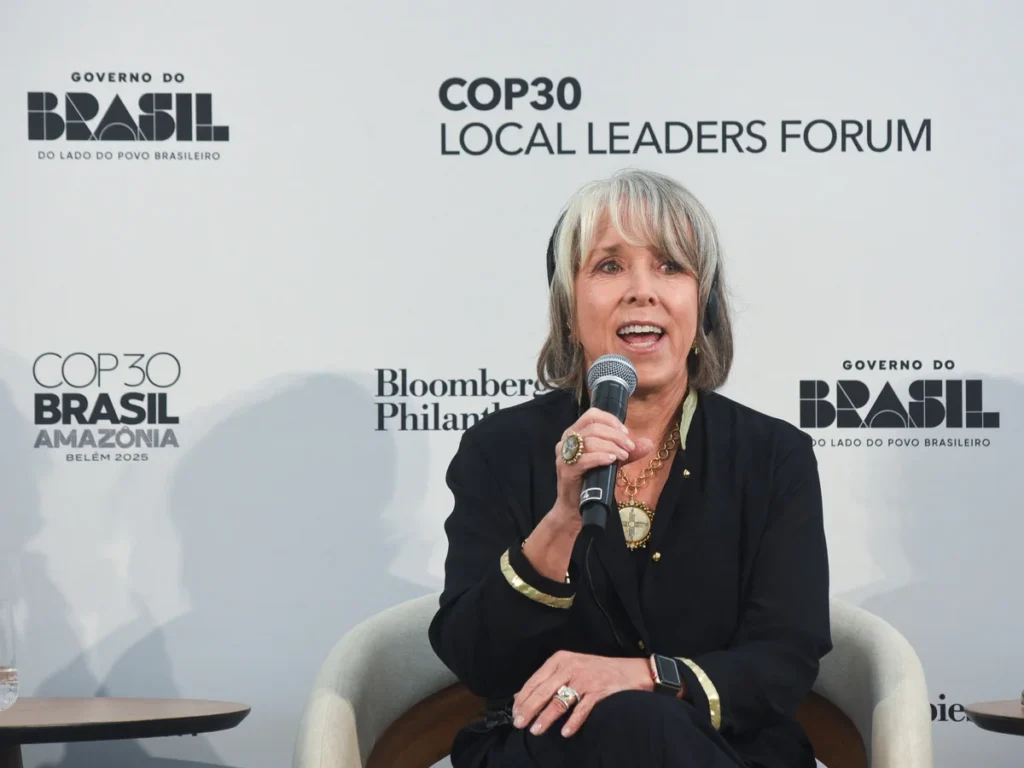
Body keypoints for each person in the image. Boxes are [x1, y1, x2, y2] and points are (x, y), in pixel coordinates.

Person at [428, 168, 831, 768]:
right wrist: (563, 519)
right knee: (635, 726)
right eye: (610, 266)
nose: (642, 291)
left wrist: (645, 676)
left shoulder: (772, 457)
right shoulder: (500, 449)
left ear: (703, 306)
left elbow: (784, 660)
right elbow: (476, 658)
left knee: (648, 721)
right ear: (569, 311)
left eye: (670, 266)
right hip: (550, 750)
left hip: (725, 748)